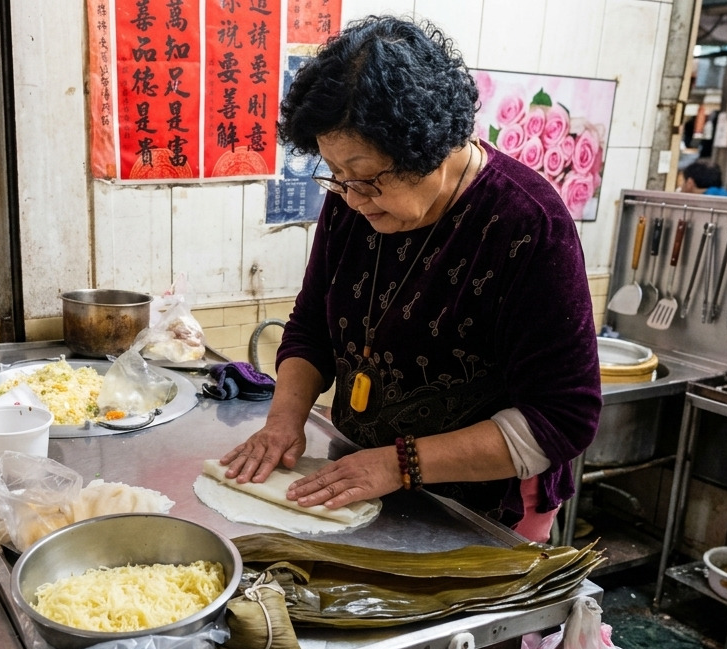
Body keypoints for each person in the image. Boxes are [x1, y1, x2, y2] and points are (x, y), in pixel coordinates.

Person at [217, 16, 601, 543]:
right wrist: (285, 419)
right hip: (364, 469)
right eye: (335, 174)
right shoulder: (354, 201)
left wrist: (400, 464)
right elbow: (311, 325)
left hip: (484, 505)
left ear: (435, 148)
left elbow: (563, 417)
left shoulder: (527, 223)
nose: (350, 198)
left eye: (367, 177)